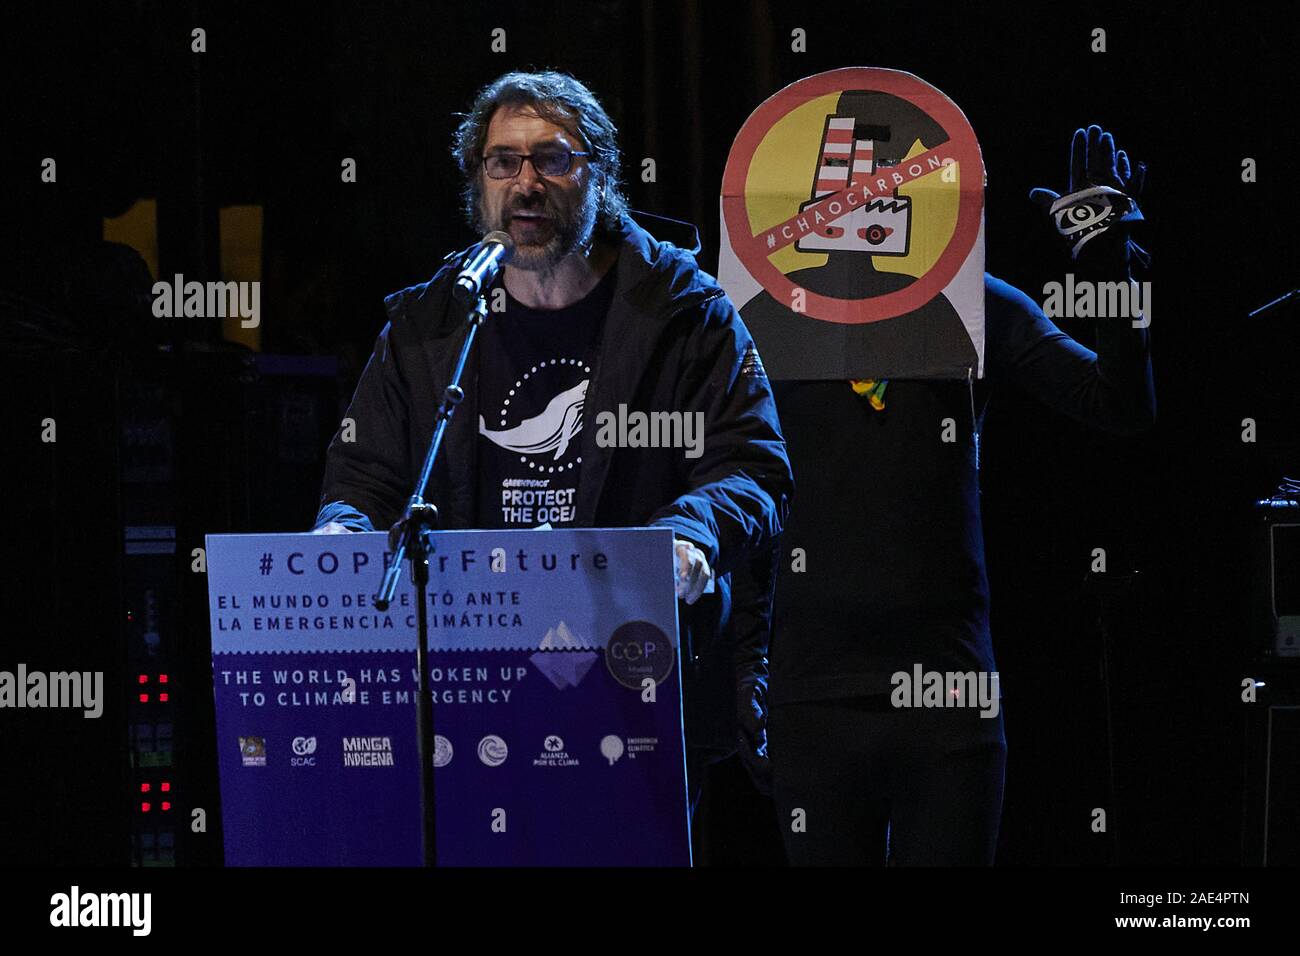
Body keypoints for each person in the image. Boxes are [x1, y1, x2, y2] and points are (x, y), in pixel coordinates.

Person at [310, 70, 792, 811]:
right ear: (479, 183)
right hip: (474, 685)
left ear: (599, 174)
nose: (526, 184)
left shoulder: (685, 311)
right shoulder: (432, 323)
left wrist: (689, 536)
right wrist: (343, 533)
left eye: (553, 159)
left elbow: (752, 466)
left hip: (637, 680)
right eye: (503, 162)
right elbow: (365, 476)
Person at [759, 124, 1156, 865]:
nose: (861, 204)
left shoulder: (972, 303)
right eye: (841, 188)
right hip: (811, 692)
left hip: (949, 692)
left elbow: (1119, 405)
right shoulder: (760, 319)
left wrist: (1108, 271)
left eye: (883, 187)